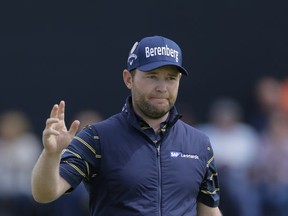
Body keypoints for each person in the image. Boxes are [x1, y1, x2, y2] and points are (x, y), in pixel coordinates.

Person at [31, 35, 222, 216]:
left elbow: (209, 211)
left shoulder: (199, 143)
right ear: (128, 79)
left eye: (171, 78)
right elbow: (44, 194)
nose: (162, 87)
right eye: (152, 76)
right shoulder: (97, 138)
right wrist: (51, 154)